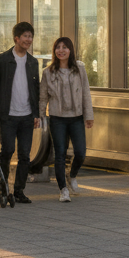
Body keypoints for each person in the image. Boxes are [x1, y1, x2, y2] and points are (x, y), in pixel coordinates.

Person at [0, 21, 40, 204]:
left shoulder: (33, 62)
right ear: (16, 38)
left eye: (30, 36)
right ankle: (3, 185)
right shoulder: (2, 60)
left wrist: (37, 114)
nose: (28, 40)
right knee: (7, 150)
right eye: (25, 36)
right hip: (7, 115)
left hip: (27, 116)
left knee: (25, 154)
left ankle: (19, 191)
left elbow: (36, 90)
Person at [40, 36, 95, 203]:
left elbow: (86, 92)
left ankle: (72, 175)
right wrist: (42, 115)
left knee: (80, 152)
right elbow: (43, 97)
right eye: (58, 47)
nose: (61, 50)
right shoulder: (48, 72)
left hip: (77, 118)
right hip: (57, 119)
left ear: (70, 50)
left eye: (65, 47)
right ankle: (63, 190)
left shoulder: (79, 68)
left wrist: (89, 116)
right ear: (54, 51)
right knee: (60, 154)